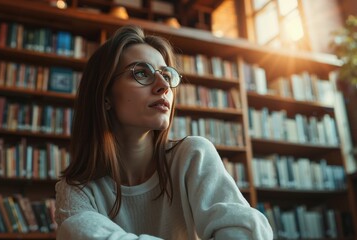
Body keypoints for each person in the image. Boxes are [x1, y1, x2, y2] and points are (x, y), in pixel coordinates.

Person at [55, 25, 273, 240]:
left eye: (167, 76)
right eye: (141, 73)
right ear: (105, 96)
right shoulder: (76, 190)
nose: (163, 86)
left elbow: (247, 233)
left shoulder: (192, 154)